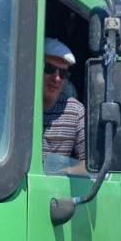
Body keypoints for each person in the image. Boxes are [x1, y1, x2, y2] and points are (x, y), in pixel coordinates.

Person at [42, 37, 85, 167]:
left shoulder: (75, 111)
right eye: (49, 69)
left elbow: (88, 165)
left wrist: (65, 172)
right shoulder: (16, 106)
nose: (57, 78)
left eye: (63, 73)